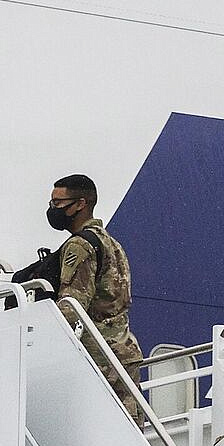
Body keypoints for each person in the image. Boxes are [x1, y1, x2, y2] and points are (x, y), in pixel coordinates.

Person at [47, 174, 142, 411]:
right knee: (127, 426)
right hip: (123, 353)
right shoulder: (112, 243)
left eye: (57, 203)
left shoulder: (80, 245)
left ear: (80, 204)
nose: (52, 209)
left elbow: (71, 307)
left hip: (97, 359)